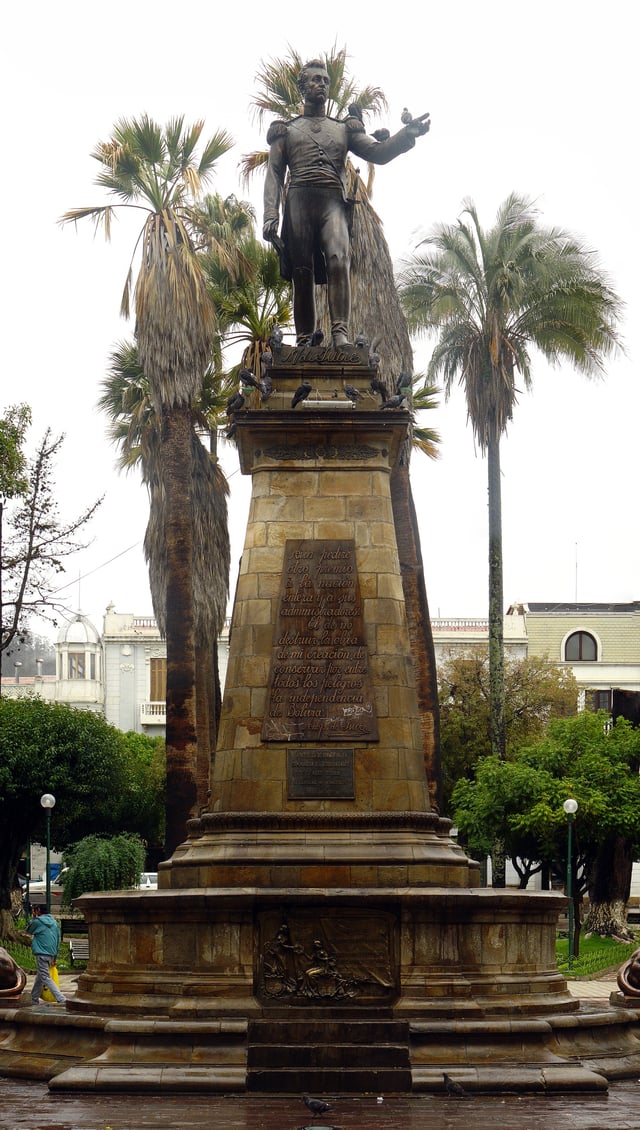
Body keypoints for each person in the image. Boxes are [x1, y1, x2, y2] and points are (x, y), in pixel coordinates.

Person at [263, 58, 430, 348]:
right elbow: (275, 173)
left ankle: (340, 332)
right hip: (299, 200)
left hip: (332, 202)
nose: (321, 85)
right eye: (315, 80)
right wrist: (269, 214)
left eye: (325, 81)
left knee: (339, 261)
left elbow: (377, 153)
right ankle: (304, 338)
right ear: (303, 87)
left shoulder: (343, 129)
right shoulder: (285, 131)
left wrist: (406, 136)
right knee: (302, 270)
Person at [24, 904, 66, 1005]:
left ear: (38, 910)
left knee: (45, 977)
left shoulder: (38, 922)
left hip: (42, 952)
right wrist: (55, 956)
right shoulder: (55, 923)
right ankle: (34, 999)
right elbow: (57, 940)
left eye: (35, 910)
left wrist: (34, 917)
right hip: (51, 953)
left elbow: (28, 930)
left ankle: (61, 999)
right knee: (40, 976)